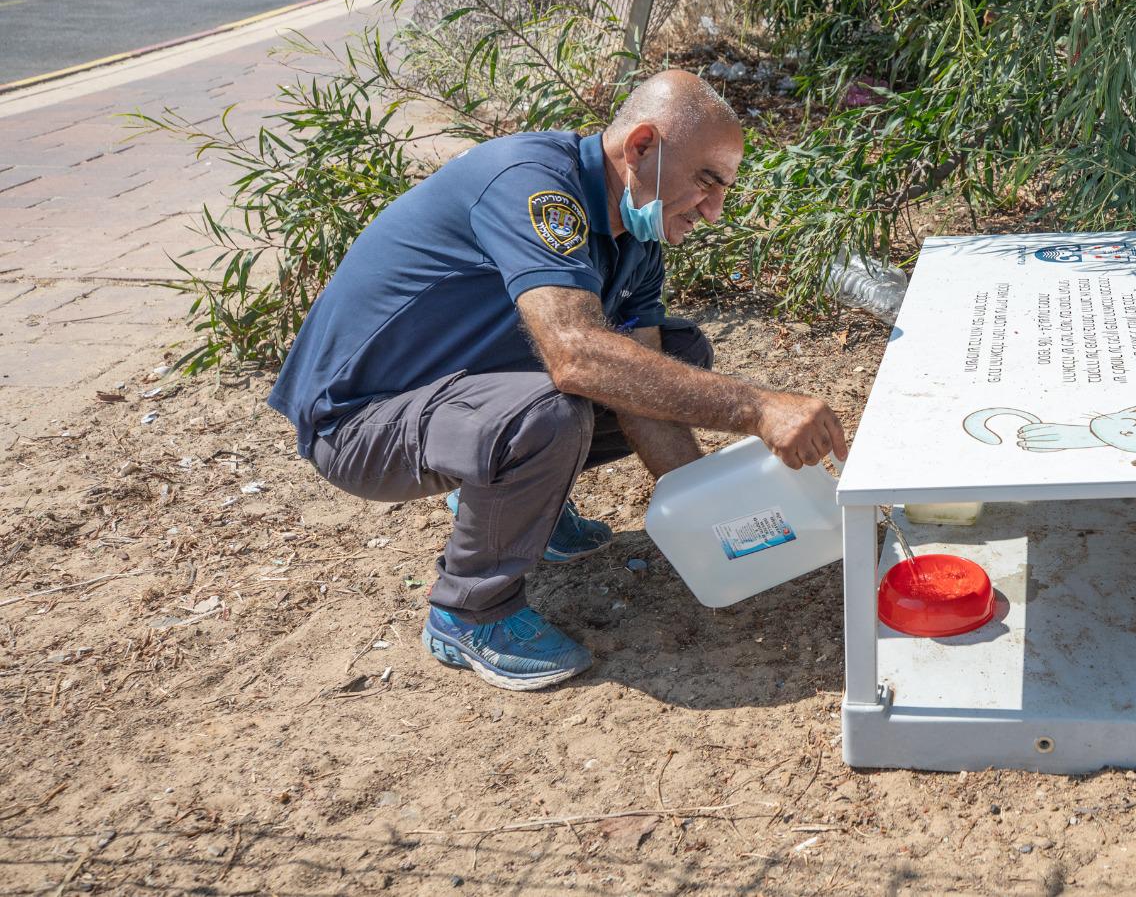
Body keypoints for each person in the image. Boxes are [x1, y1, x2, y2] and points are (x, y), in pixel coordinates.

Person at [267, 70, 849, 691]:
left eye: (724, 189)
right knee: (551, 410)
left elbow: (644, 394)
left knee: (675, 357)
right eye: (706, 182)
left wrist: (715, 524)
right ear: (642, 146)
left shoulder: (635, 238)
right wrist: (758, 407)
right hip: (359, 422)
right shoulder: (532, 185)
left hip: (456, 400)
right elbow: (575, 358)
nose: (714, 210)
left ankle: (518, 505)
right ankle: (470, 610)